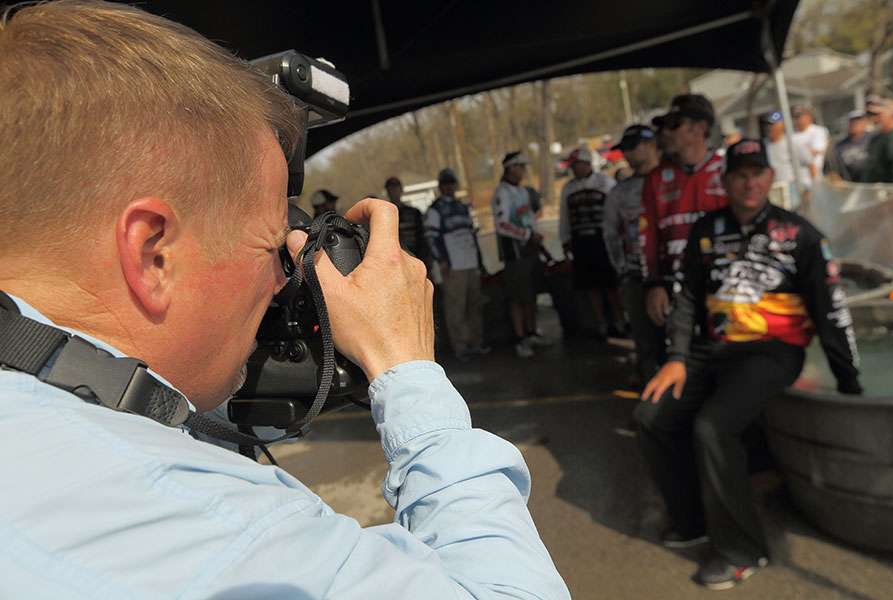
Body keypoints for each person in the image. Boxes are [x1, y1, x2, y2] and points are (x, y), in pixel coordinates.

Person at [0, 3, 570, 599]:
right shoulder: (202, 522)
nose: (283, 281)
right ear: (153, 255)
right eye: (275, 245)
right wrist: (406, 372)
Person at [635, 139, 862, 591]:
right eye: (740, 174)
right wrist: (676, 359)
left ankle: (743, 551)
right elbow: (685, 302)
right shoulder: (705, 231)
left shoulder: (800, 235)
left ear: (770, 178)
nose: (749, 181)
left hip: (773, 350)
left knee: (713, 427)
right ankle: (692, 521)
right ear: (726, 181)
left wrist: (849, 385)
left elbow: (831, 313)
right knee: (650, 416)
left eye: (758, 172)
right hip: (713, 350)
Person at [643, 93, 729, 330]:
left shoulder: (728, 171)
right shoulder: (656, 179)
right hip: (675, 290)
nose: (666, 133)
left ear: (700, 128)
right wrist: (653, 284)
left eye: (674, 125)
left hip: (726, 287)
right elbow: (647, 238)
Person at [604, 125, 664, 384]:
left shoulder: (672, 178)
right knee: (645, 341)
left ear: (651, 145)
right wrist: (623, 272)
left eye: (632, 147)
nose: (626, 154)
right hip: (636, 276)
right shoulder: (620, 191)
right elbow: (611, 235)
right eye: (624, 149)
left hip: (676, 273)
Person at [425, 168, 490, 361]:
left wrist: (480, 261)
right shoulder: (435, 210)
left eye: (452, 183)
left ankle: (476, 343)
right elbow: (431, 238)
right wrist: (442, 261)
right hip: (453, 266)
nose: (449, 187)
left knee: (474, 306)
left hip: (470, 262)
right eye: (445, 184)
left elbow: (472, 235)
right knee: (456, 308)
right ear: (440, 187)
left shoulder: (462, 207)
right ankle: (461, 348)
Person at [492, 151, 552, 358]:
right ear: (511, 168)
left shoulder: (524, 191)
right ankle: (520, 338)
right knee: (517, 297)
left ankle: (532, 331)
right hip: (514, 253)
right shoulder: (502, 192)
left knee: (531, 294)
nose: (524, 171)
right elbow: (502, 224)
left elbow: (529, 217)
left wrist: (534, 235)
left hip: (530, 250)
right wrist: (526, 234)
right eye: (521, 167)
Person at [558, 146, 622, 338]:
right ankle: (600, 322)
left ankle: (619, 320)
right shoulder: (568, 189)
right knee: (590, 285)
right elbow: (564, 217)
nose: (575, 170)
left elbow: (616, 212)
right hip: (581, 241)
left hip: (602, 239)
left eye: (577, 165)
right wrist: (565, 240)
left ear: (587, 164)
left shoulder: (605, 183)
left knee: (611, 284)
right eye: (573, 166)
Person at [762, 110, 814, 208]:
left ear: (781, 125)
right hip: (774, 189)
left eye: (773, 124)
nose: (769, 128)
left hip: (793, 187)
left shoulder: (792, 142)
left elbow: (810, 164)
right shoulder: (764, 145)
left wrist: (811, 188)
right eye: (767, 125)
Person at [385, 176, 430, 264]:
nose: (394, 191)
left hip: (418, 256)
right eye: (391, 189)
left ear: (401, 190)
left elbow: (423, 236)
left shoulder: (414, 212)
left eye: (396, 188)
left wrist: (426, 259)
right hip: (398, 259)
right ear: (387, 192)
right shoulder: (385, 214)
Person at [862, 98, 893, 184]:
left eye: (879, 114)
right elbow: (870, 170)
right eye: (872, 114)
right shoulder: (875, 139)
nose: (874, 118)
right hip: (876, 192)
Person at [832, 110, 873, 182]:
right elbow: (834, 169)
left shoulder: (874, 139)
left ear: (865, 123)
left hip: (872, 184)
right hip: (851, 186)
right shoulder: (839, 145)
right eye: (852, 122)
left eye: (858, 121)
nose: (855, 124)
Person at [790, 105, 829, 182]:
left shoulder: (819, 131)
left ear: (809, 116)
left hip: (815, 176)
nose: (797, 119)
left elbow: (815, 151)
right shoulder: (791, 135)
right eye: (795, 117)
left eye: (799, 116)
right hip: (795, 177)